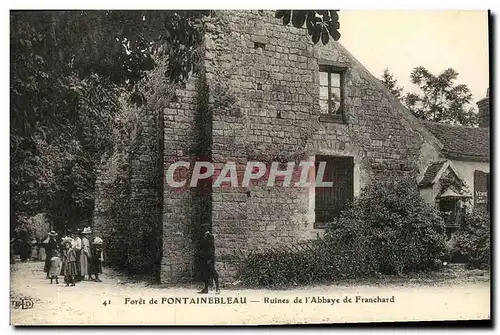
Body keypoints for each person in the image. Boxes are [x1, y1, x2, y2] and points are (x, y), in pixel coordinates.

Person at [198, 228, 220, 294]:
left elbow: (211, 249)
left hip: (209, 259)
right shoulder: (204, 237)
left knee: (213, 272)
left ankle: (217, 288)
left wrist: (210, 259)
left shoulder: (210, 237)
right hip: (205, 258)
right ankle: (206, 289)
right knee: (205, 274)